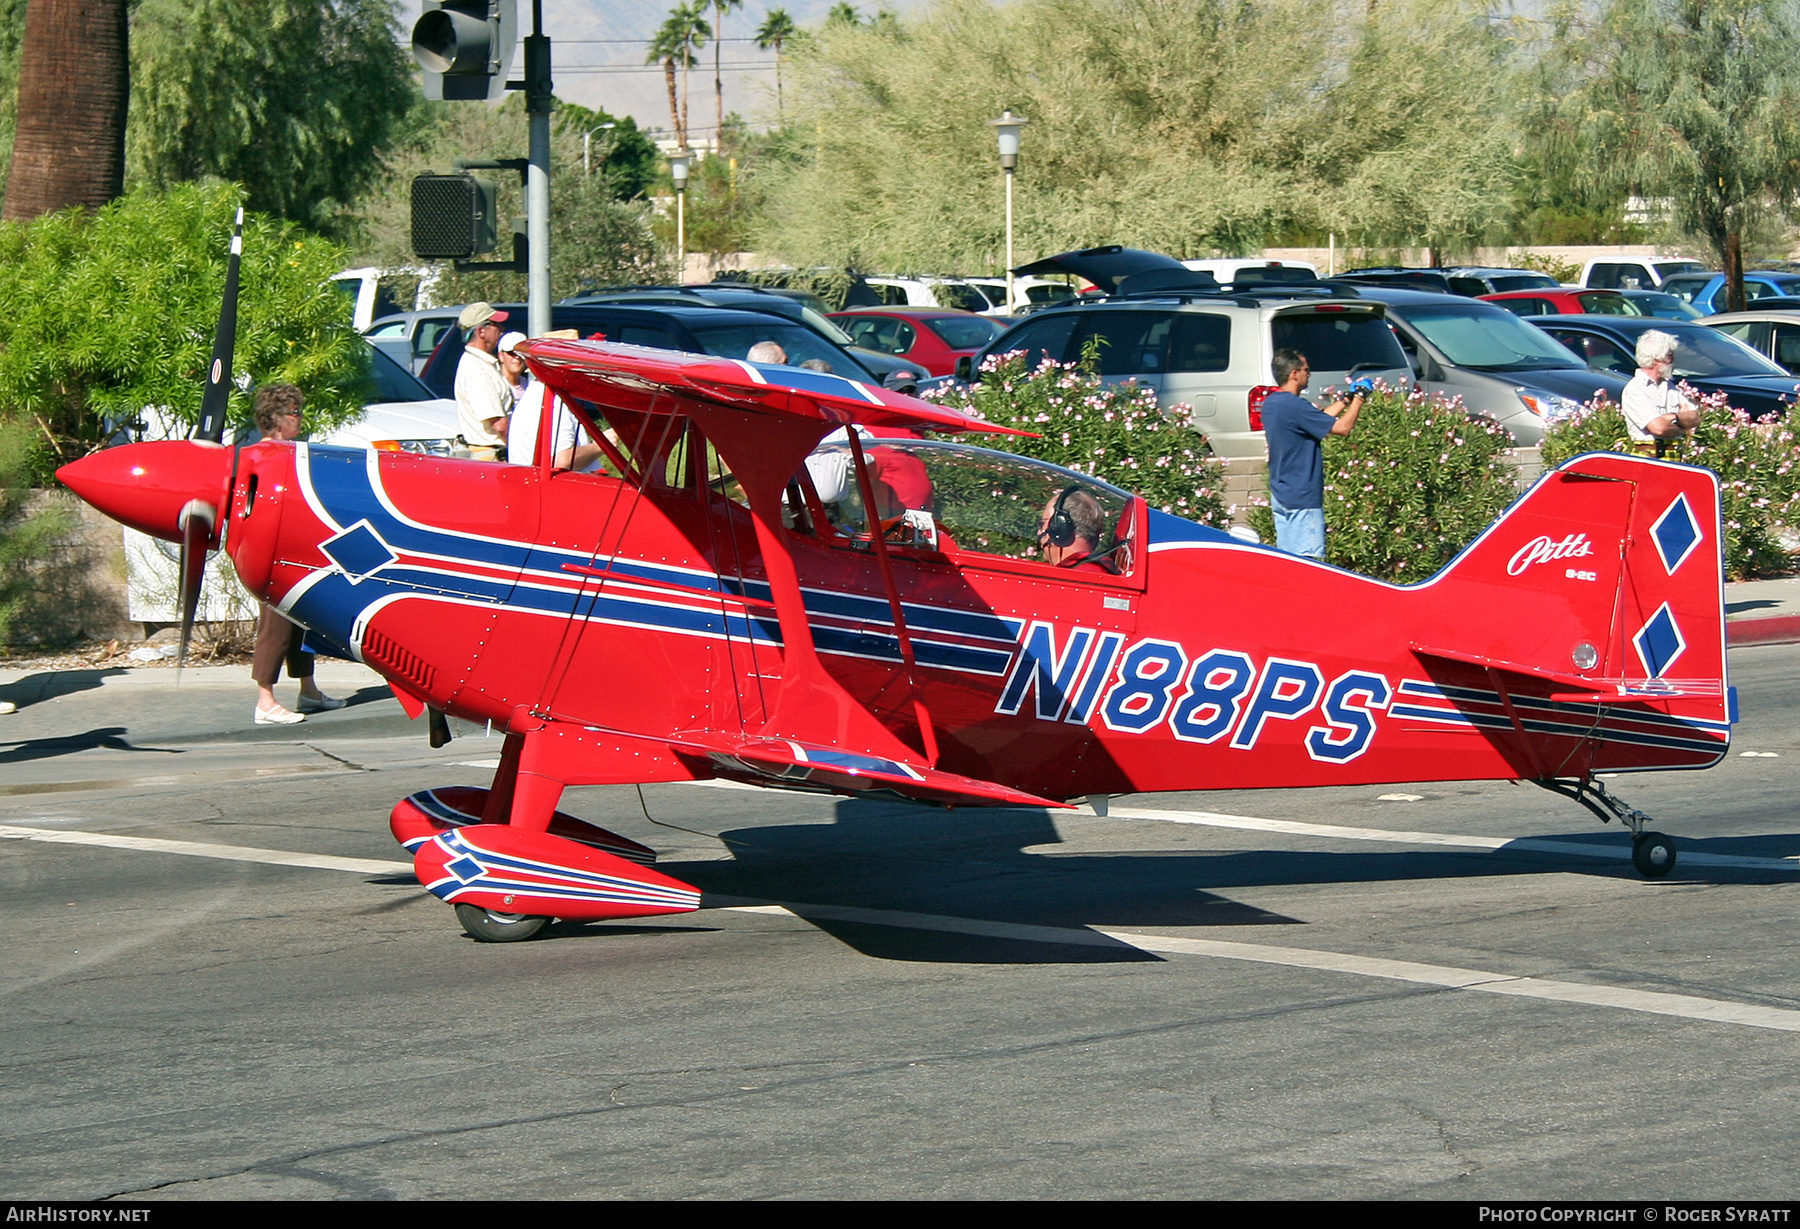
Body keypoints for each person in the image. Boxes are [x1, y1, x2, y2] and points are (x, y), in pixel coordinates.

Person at [248, 384, 343, 725]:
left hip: (297, 546)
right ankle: (265, 699)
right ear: (275, 418)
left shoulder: (289, 451)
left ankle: (308, 689)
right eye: (293, 413)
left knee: (302, 619)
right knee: (275, 625)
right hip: (276, 549)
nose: (299, 419)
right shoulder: (265, 456)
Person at [1261, 349, 1367, 560]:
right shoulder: (1295, 406)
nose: (1309, 374)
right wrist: (1360, 398)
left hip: (1282, 494)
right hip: (1302, 498)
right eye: (1306, 370)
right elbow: (1343, 428)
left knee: (1288, 561)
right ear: (1294, 374)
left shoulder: (1273, 403)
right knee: (1307, 563)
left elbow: (1317, 420)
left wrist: (1346, 400)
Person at [1622, 329, 1701, 455]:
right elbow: (1659, 428)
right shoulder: (1635, 389)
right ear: (1655, 360)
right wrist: (1683, 426)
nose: (1673, 360)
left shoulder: (1670, 387)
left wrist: (1673, 417)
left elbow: (1695, 418)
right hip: (1647, 458)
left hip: (1674, 456)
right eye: (1669, 355)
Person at [454, 302, 514, 461]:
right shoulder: (478, 370)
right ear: (481, 331)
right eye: (496, 324)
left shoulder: (479, 364)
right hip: (491, 458)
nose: (501, 329)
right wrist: (524, 452)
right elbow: (499, 425)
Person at [1038, 486, 1118, 573]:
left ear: (1060, 526)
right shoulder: (1098, 571)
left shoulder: (1075, 577)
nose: (1039, 532)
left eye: (1042, 524)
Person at [498, 331, 530, 401]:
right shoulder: (494, 384)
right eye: (511, 353)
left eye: (521, 353)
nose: (517, 357)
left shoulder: (530, 386)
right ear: (500, 356)